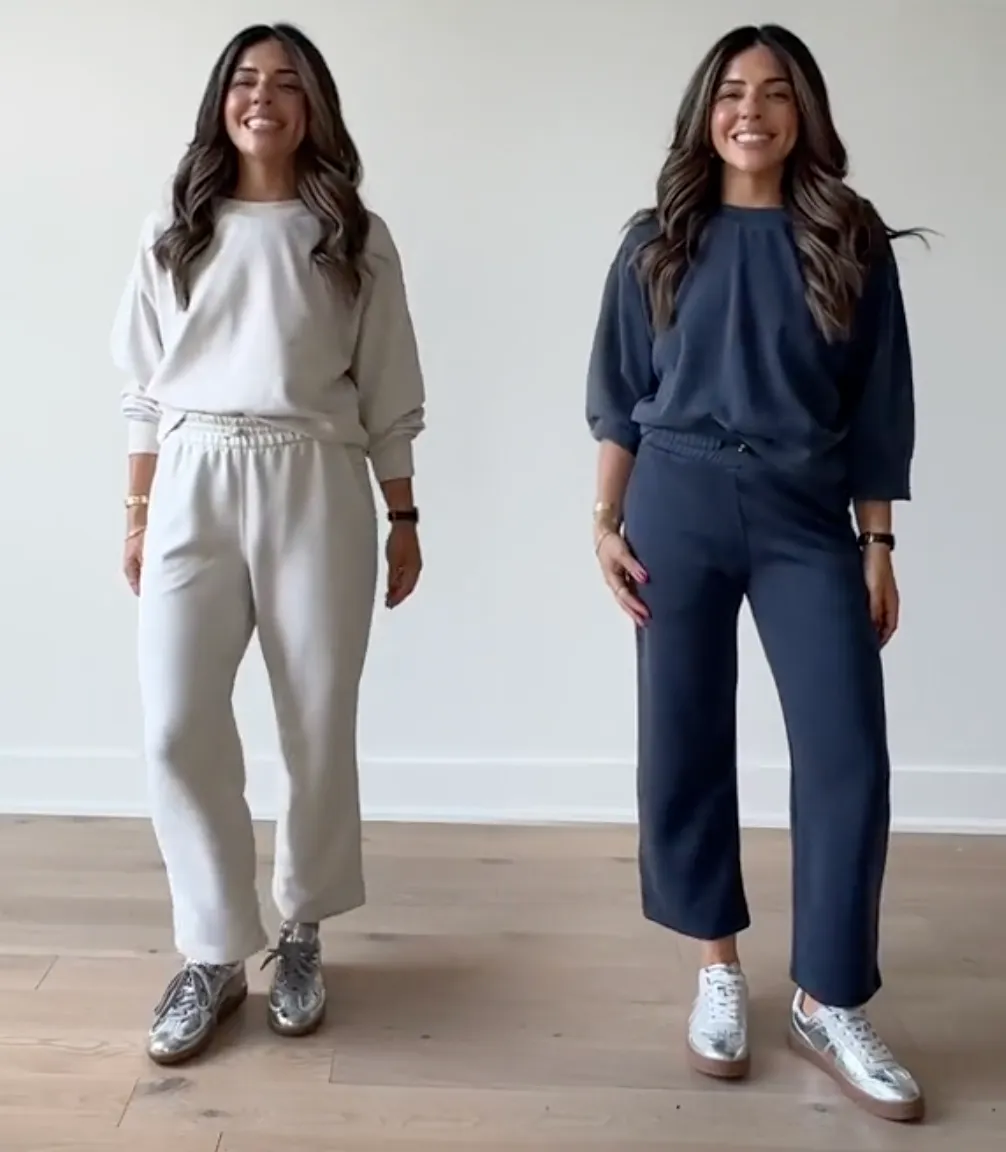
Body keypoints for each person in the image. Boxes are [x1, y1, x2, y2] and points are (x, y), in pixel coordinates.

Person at [585, 24, 926, 1123]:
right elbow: (616, 392)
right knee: (683, 739)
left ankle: (827, 998)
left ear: (803, 114)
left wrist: (875, 544)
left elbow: (877, 410)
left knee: (846, 753)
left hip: (801, 510)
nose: (751, 110)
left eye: (774, 93)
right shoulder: (657, 239)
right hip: (672, 501)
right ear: (704, 111)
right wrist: (602, 521)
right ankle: (718, 969)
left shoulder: (849, 237)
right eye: (731, 91)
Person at [110, 23, 425, 1065]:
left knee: (316, 720)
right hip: (195, 472)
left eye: (286, 83)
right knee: (175, 725)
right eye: (245, 80)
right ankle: (211, 948)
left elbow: (388, 388)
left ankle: (302, 928)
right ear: (221, 101)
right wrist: (138, 512)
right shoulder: (176, 225)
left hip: (315, 476)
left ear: (314, 107)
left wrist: (403, 515)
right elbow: (144, 389)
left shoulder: (351, 233)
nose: (263, 96)